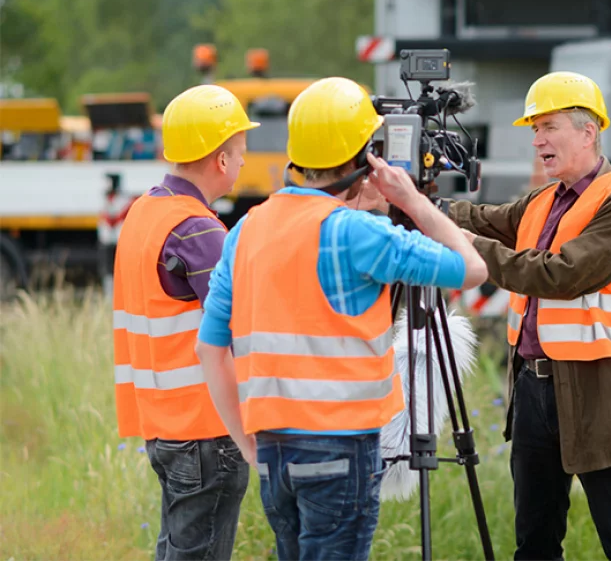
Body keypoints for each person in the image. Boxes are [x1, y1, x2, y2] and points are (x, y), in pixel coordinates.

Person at [195, 76, 488, 561]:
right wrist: (412, 201)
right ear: (364, 158)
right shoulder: (358, 234)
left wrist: (248, 446)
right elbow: (472, 268)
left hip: (272, 451)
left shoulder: (247, 228)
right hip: (341, 449)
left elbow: (209, 348)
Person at [447, 71, 611, 560]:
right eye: (534, 129)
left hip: (600, 391)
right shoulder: (543, 201)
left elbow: (559, 275)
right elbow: (483, 220)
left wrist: (468, 244)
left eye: (548, 127)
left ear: (588, 132)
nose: (537, 140)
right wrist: (423, 206)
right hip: (532, 389)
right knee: (535, 544)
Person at [113, 84, 256, 560]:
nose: (243, 162)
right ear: (220, 159)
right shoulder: (198, 229)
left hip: (163, 425)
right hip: (206, 430)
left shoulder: (143, 213)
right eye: (240, 151)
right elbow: (243, 327)